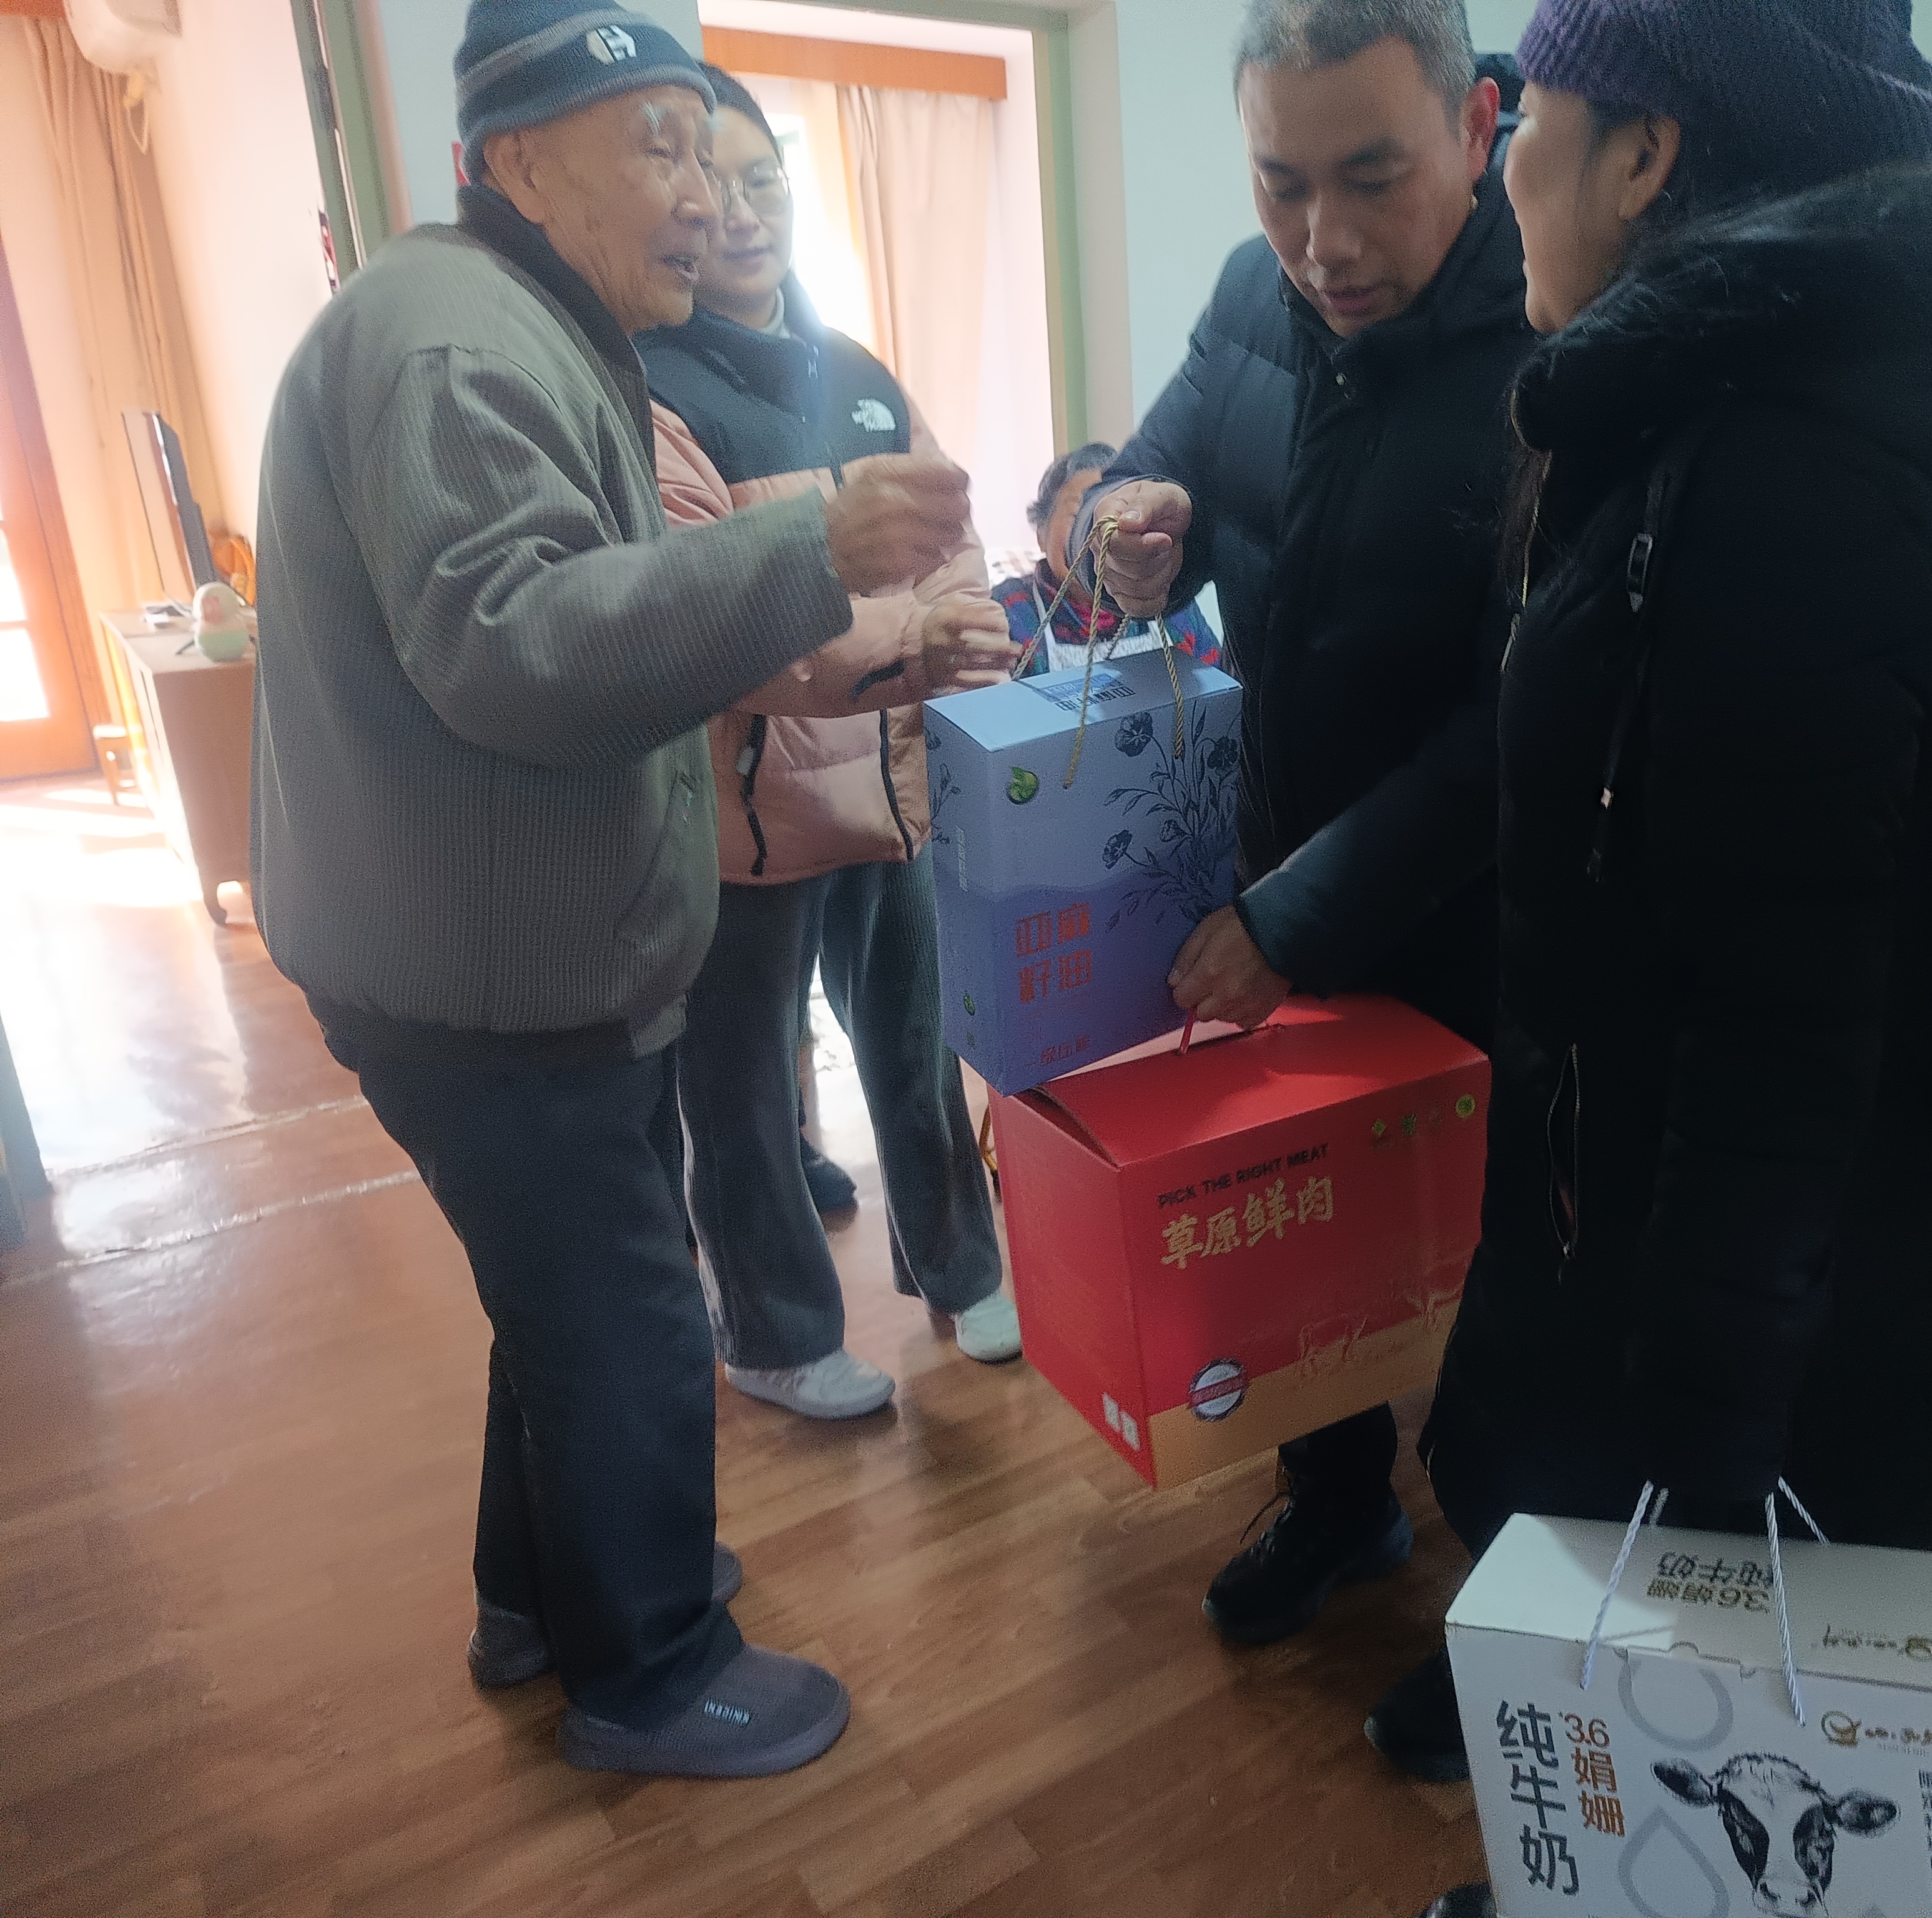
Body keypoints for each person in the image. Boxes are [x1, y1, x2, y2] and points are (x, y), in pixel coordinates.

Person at [1405, 3, 1932, 1909]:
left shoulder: (1779, 486)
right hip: (1676, 1248)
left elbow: (1786, 1036)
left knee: (1771, 1786)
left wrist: (1704, 1453)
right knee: (1683, 1793)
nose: (1506, 161)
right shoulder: (1718, 425)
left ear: (1645, 153)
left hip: (1754, 1316)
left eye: (1531, 111)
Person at [250, 0, 1015, 1779]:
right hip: (485, 978)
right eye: (654, 148)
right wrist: (809, 543)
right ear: (516, 159)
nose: (699, 194)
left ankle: (540, 1600)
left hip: (475, 954)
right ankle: (651, 1666)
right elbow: (515, 643)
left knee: (563, 1304)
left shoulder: (520, 314)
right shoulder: (459, 345)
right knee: (627, 1320)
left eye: (714, 152)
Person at [1082, 0, 1530, 1779]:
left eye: (1371, 178)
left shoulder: (1553, 347)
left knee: (1503, 1284)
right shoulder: (1249, 295)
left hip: (1482, 916)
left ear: (1477, 129)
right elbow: (1149, 476)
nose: (1322, 241)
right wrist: (1115, 525)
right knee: (1303, 1227)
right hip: (1288, 876)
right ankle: (1338, 1499)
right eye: (1281, 185)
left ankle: (1508, 1620)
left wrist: (1293, 918)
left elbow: (1515, 729)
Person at [640, 69, 1022, 1420]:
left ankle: (961, 1267)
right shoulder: (652, 389)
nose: (743, 212)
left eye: (766, 180)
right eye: (713, 184)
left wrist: (968, 618)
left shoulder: (858, 373)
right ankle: (775, 1330)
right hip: (744, 821)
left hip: (892, 792)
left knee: (917, 1048)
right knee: (741, 1092)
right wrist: (916, 643)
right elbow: (727, 623)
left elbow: (950, 531)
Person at [992, 445, 1221, 677]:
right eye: (1079, 516)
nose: (1097, 533)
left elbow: (1217, 681)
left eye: (1115, 515)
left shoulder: (1166, 598)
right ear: (1042, 534)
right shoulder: (1009, 613)